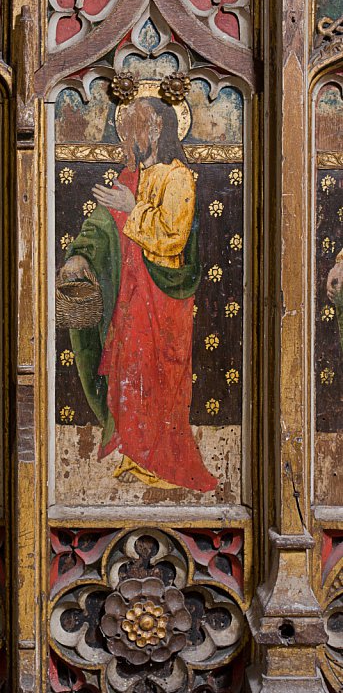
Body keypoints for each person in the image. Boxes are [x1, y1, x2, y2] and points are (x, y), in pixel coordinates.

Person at [60, 95, 217, 492]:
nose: (131, 137)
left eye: (138, 129)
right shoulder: (128, 179)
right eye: (126, 129)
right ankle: (136, 452)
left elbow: (172, 237)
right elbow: (99, 226)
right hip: (129, 298)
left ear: (159, 130)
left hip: (164, 297)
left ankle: (163, 459)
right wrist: (78, 256)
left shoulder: (178, 176)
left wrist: (134, 209)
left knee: (161, 372)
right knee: (130, 366)